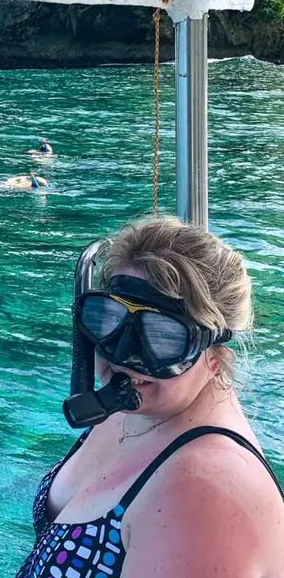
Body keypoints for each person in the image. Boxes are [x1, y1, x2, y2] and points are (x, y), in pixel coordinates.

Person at [14, 216, 284, 578]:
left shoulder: (202, 496)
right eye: (108, 319)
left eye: (163, 337)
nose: (123, 355)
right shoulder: (138, 407)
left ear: (215, 357)